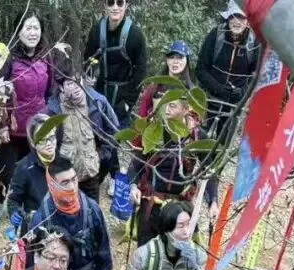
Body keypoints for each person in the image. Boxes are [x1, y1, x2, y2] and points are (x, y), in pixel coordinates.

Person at [128, 95, 219, 248]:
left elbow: (209, 171)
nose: (166, 109)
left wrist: (213, 201)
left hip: (181, 207)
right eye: (165, 104)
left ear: (185, 109)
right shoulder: (152, 131)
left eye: (172, 105)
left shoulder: (197, 137)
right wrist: (133, 187)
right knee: (145, 251)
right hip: (151, 203)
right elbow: (135, 165)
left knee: (176, 252)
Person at [0, 15, 55, 226]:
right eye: (28, 28)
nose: (32, 33)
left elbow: (51, 91)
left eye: (36, 28)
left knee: (34, 170)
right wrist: (1, 125)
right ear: (19, 31)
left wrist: (49, 118)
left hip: (37, 129)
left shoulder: (46, 56)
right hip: (12, 128)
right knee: (5, 172)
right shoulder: (8, 58)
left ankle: (28, 208)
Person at [48, 72, 119, 201]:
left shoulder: (97, 102)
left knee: (92, 210)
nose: (76, 86)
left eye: (78, 81)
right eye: (70, 83)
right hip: (66, 176)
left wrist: (103, 154)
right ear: (61, 87)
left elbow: (114, 130)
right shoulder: (53, 110)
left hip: (91, 173)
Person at [197, 1, 260, 143]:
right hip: (209, 100)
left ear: (247, 21)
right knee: (201, 141)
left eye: (241, 17)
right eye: (233, 16)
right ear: (228, 18)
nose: (237, 21)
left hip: (235, 105)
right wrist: (218, 89)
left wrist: (242, 92)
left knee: (224, 143)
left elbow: (256, 75)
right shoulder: (216, 35)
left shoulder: (253, 43)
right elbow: (201, 69)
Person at [84, 0, 147, 126]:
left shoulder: (135, 35)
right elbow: (88, 60)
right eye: (111, 3)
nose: (115, 7)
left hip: (122, 100)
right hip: (100, 96)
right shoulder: (96, 31)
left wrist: (127, 104)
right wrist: (89, 80)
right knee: (96, 134)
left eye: (119, 3)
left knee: (116, 136)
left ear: (126, 5)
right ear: (105, 6)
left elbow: (140, 71)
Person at [7, 113, 60, 233]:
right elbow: (13, 200)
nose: (49, 143)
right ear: (33, 142)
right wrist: (14, 212)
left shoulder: (64, 163)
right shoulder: (24, 167)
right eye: (43, 139)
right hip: (36, 230)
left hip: (63, 229)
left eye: (52, 137)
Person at [136, 40, 194, 121]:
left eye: (180, 57)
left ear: (186, 60)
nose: (175, 61)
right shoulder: (155, 87)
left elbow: (194, 120)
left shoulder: (191, 91)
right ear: (167, 60)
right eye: (171, 57)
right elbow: (142, 115)